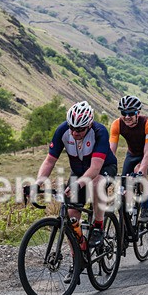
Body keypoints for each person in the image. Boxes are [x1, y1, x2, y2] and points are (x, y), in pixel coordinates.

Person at [36, 101, 117, 247]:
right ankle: (78, 257)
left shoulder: (100, 132)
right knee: (72, 217)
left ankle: (98, 225)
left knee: (96, 183)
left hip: (104, 167)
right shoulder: (62, 131)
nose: (74, 133)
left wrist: (77, 185)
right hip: (78, 172)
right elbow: (49, 161)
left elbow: (94, 169)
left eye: (79, 129)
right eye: (72, 128)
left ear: (89, 125)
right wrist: (37, 184)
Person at [109, 95, 148, 221]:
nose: (127, 117)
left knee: (139, 171)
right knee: (123, 186)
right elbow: (111, 151)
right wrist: (107, 169)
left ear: (138, 113)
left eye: (131, 113)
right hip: (132, 154)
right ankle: (125, 223)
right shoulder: (117, 124)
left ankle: (145, 207)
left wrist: (140, 172)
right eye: (123, 113)